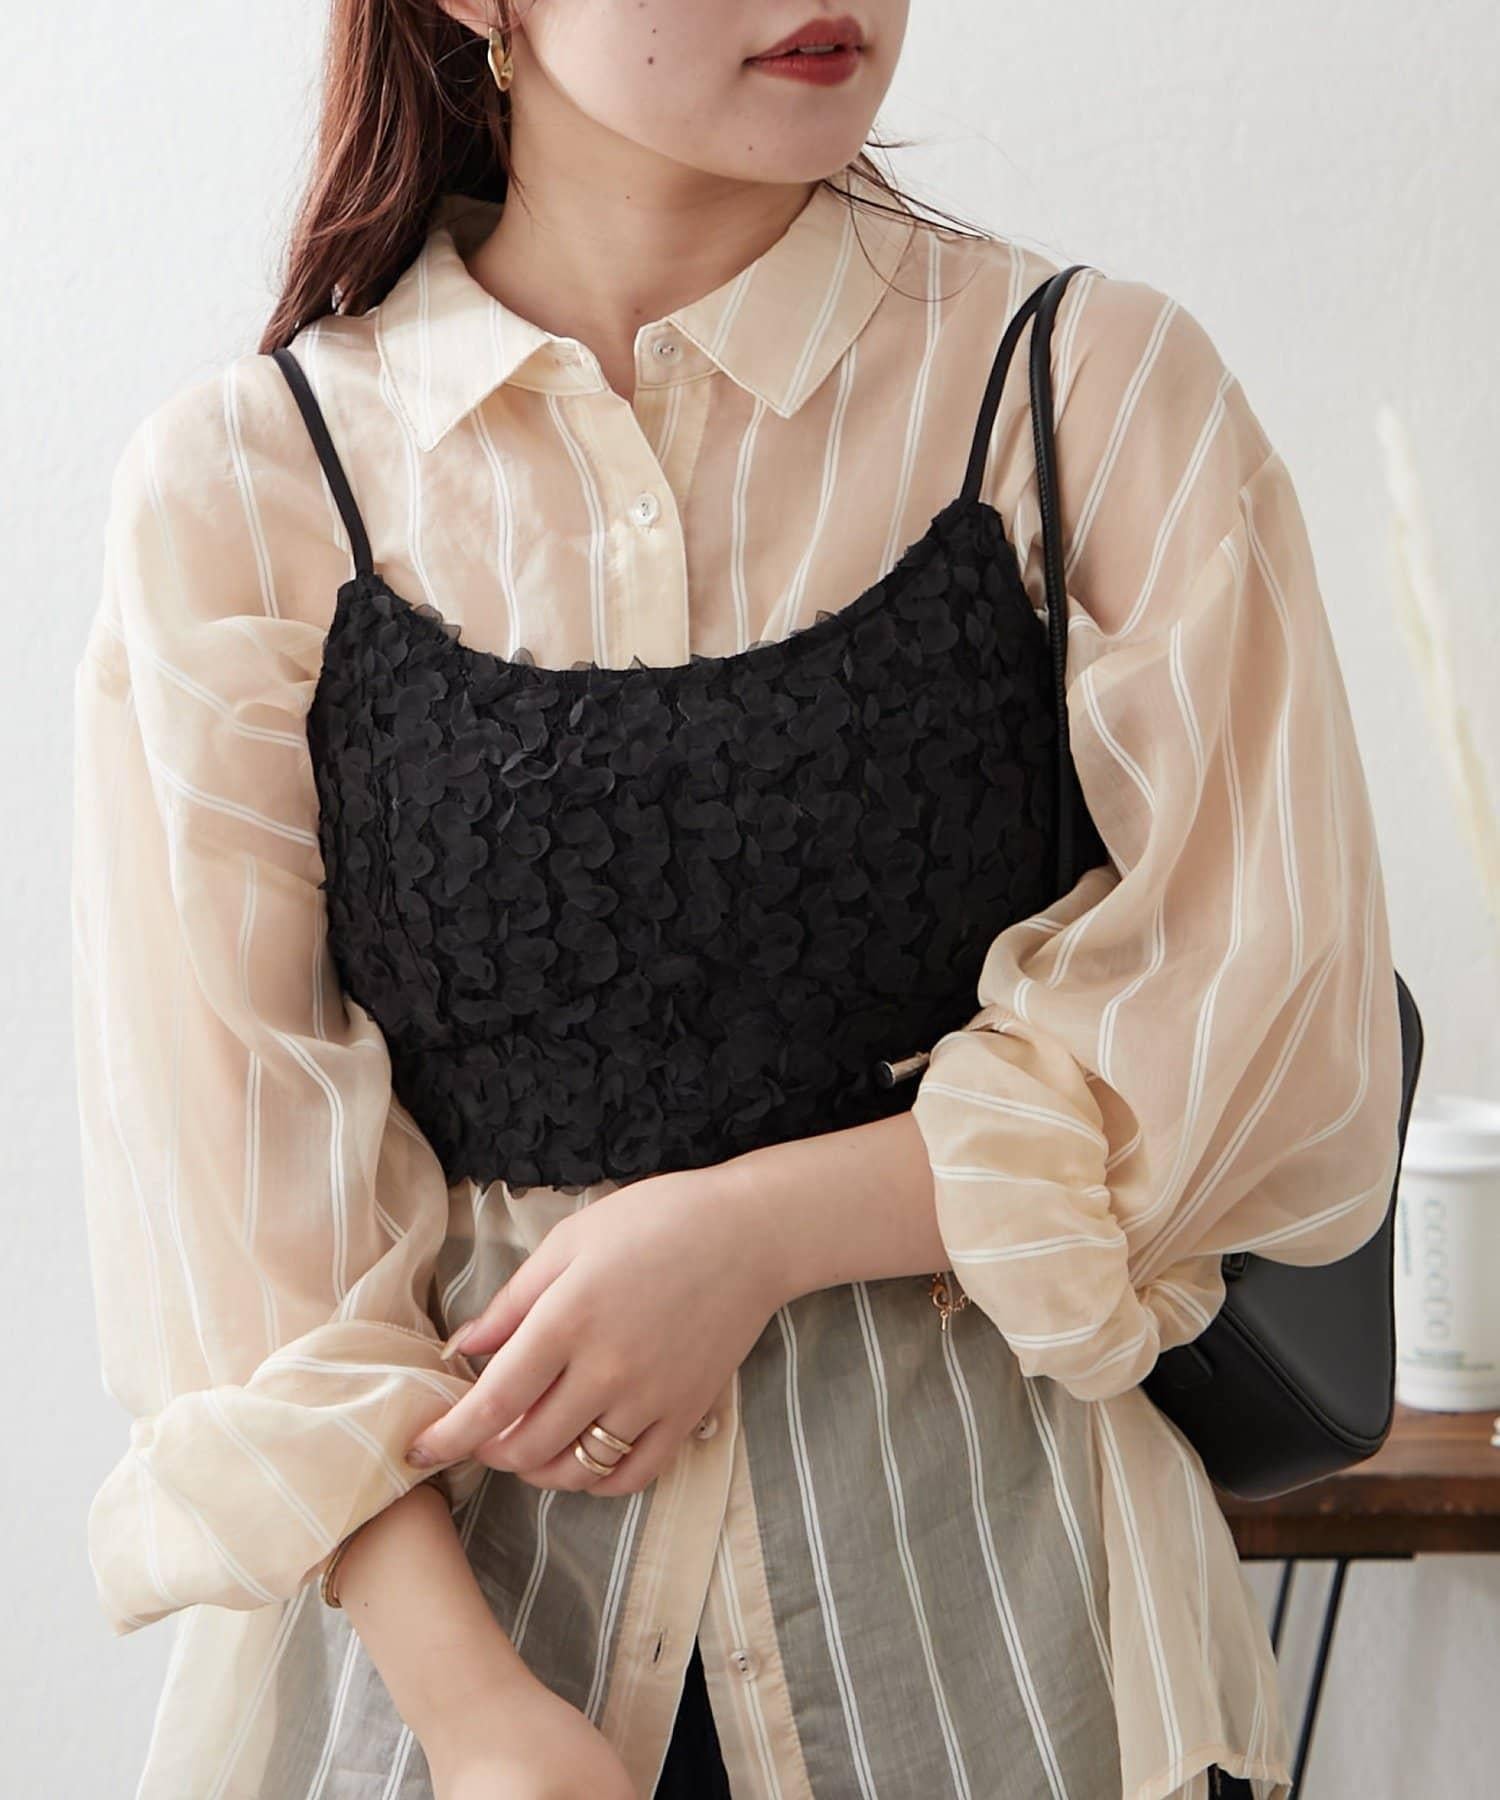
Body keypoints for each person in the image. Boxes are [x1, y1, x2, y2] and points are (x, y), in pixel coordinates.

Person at [71, 3, 1404, 1797]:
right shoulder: (247, 491)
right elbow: (232, 1221)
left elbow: (1275, 1038)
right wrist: (478, 1720)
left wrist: (755, 1232)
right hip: (439, 1711)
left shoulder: (1084, 394)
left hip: (1011, 1683)